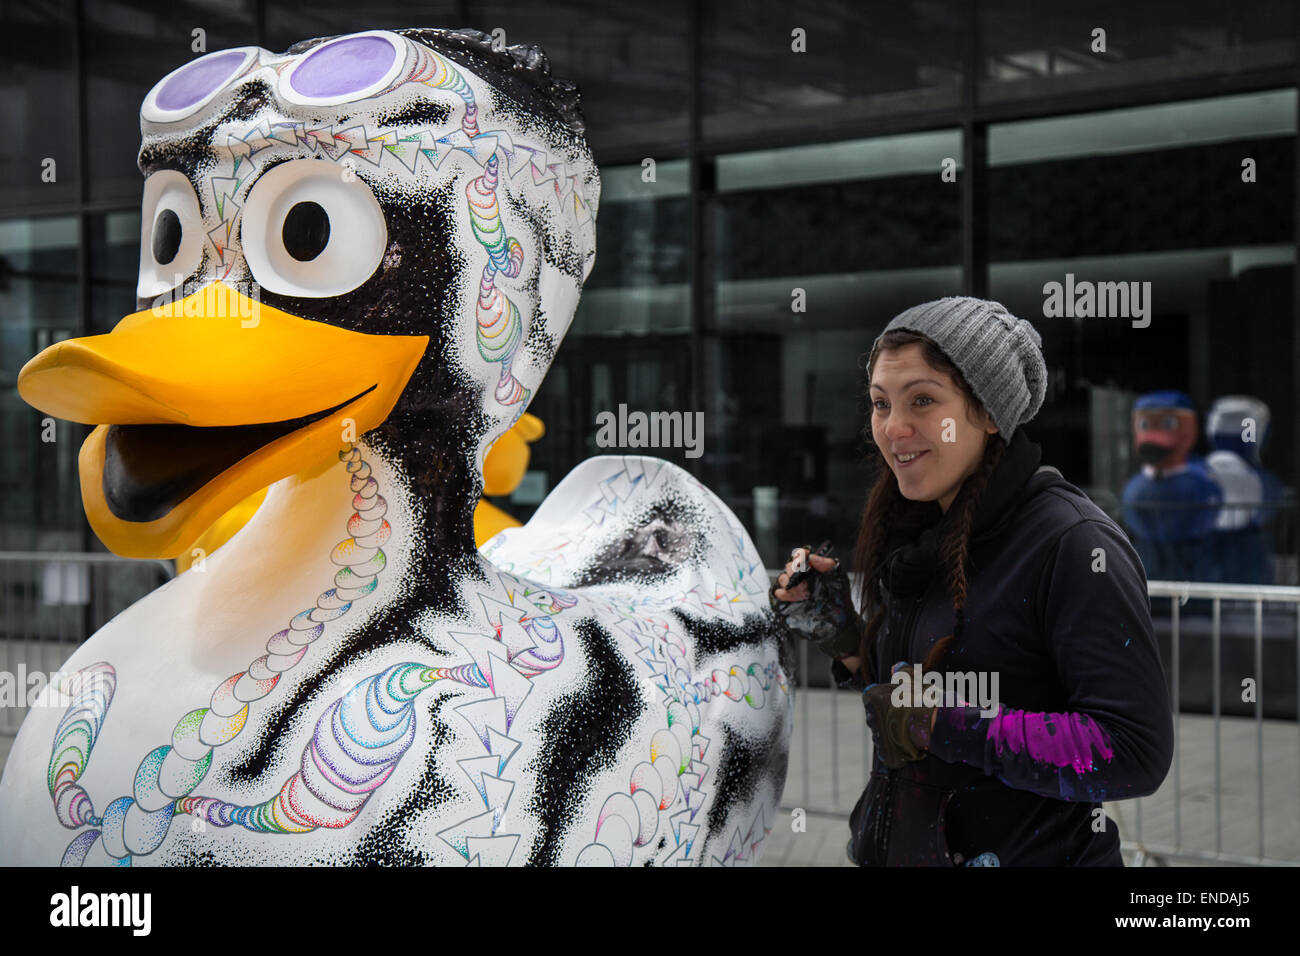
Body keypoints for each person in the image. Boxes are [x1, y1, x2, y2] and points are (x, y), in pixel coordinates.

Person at [771, 296, 1174, 866]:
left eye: (923, 401)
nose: (893, 428)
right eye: (880, 404)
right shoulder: (920, 528)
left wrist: (950, 724)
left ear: (988, 413)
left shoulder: (1073, 545)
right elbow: (910, 692)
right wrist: (842, 632)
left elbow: (1135, 751)